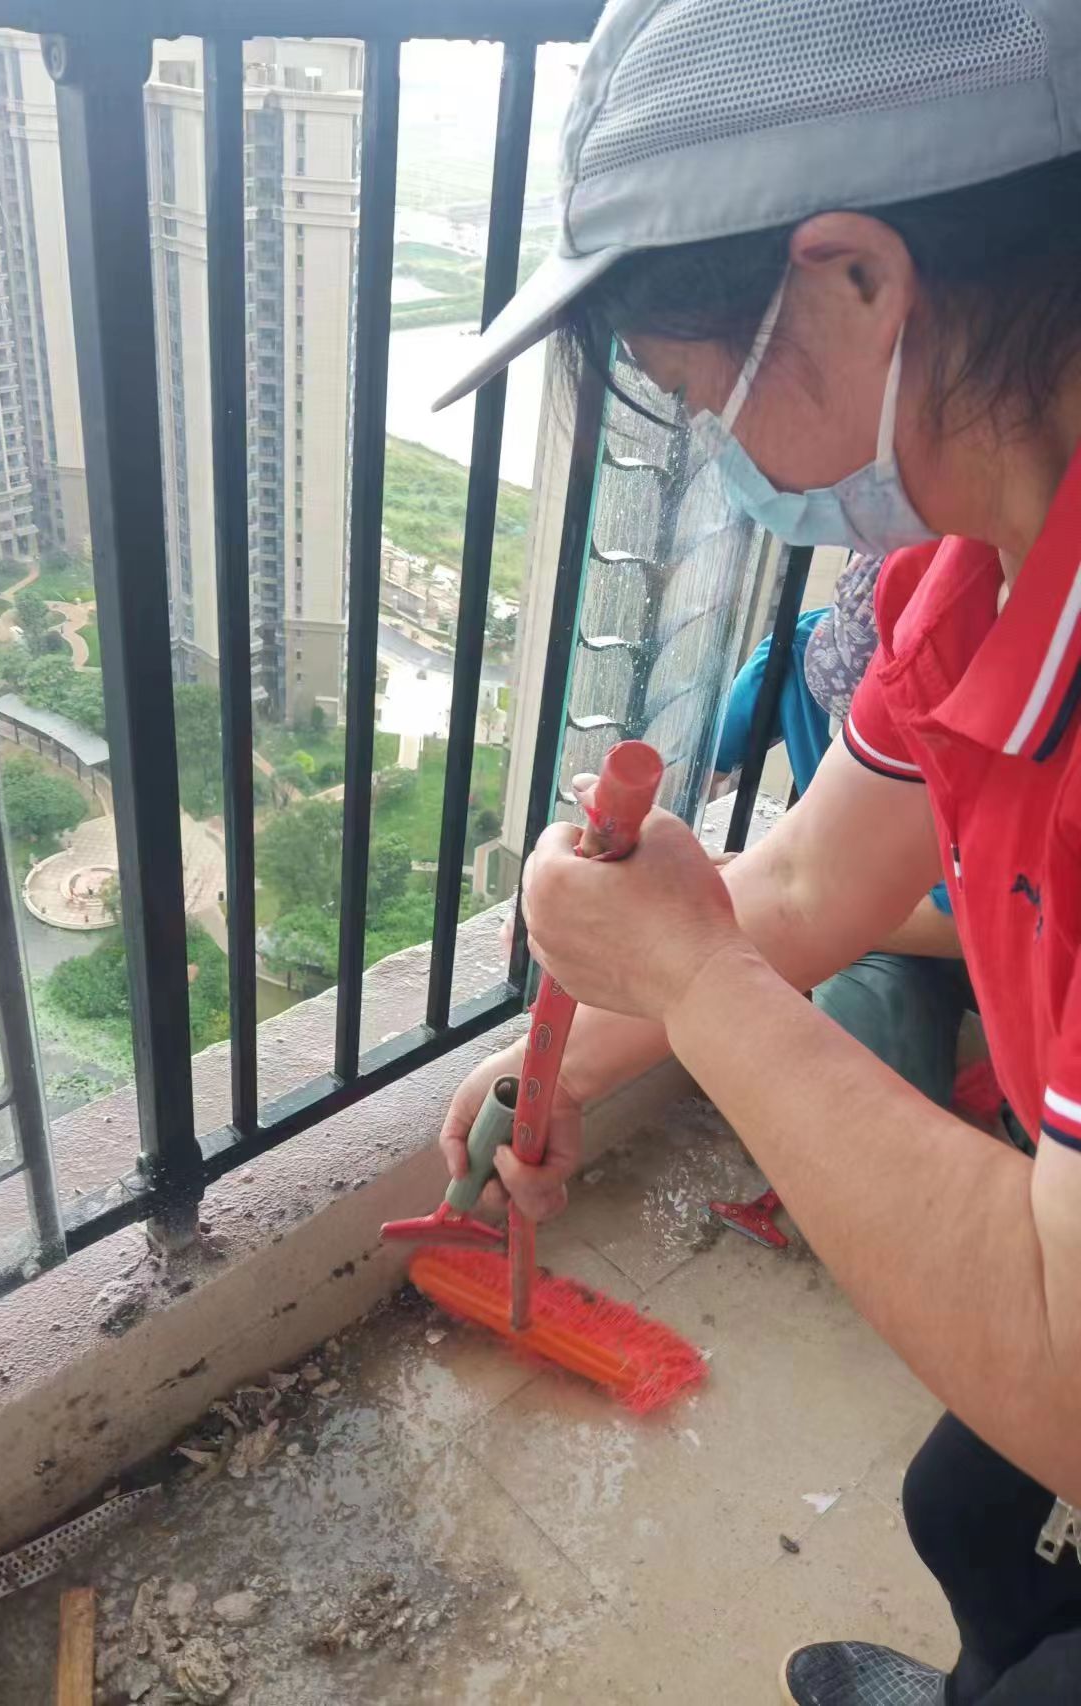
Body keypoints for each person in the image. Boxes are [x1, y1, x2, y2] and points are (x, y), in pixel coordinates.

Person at [433, 2, 1081, 1700]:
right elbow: (801, 882)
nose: (721, 448)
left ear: (856, 278)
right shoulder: (980, 573)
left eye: (701, 388)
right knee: (967, 1506)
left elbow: (1068, 1363)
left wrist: (695, 978)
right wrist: (567, 1060)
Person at [717, 557, 977, 1127]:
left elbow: (969, 928)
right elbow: (687, 775)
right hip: (881, 914)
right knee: (869, 1025)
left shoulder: (994, 747)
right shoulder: (801, 652)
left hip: (995, 936)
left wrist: (804, 905)